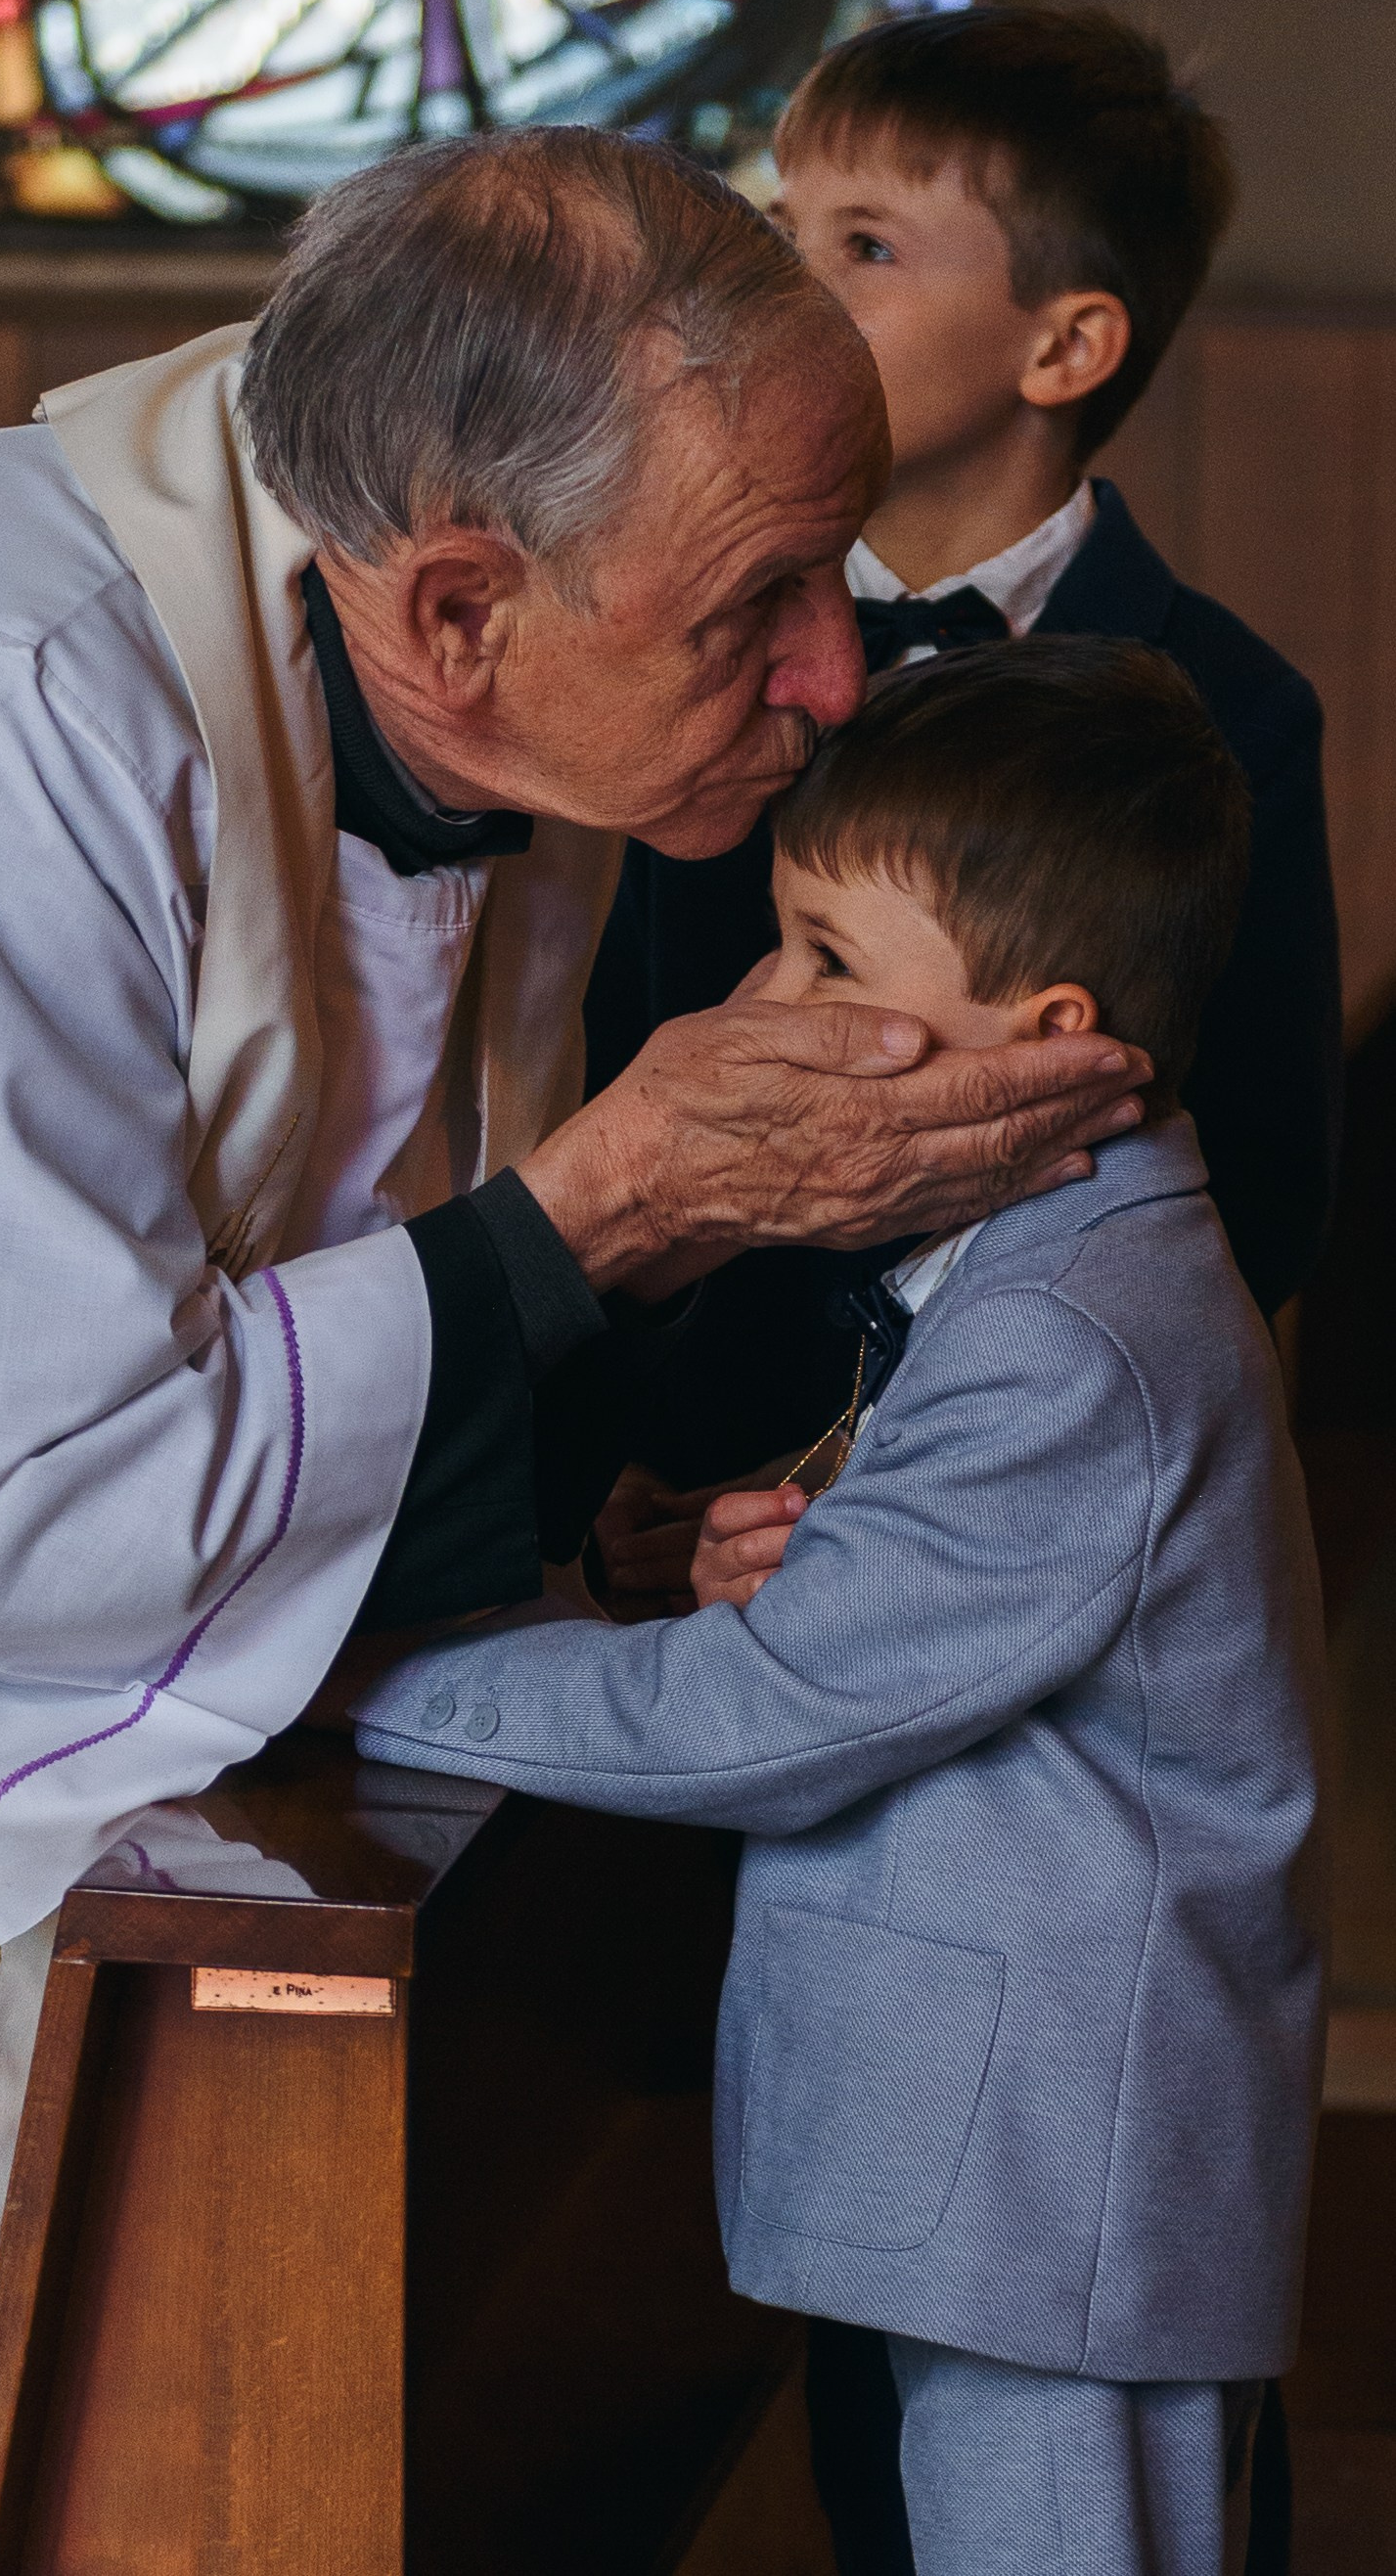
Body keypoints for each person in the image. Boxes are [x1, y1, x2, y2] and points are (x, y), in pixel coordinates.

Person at [0, 132, 1148, 2576]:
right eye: (761, 605)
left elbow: (335, 1238)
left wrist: (600, 1462)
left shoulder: (431, 661)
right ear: (461, 605)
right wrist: (612, 1205)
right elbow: (10, 1512)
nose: (835, 674)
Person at [354, 637, 1328, 2576]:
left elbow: (763, 1714)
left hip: (1051, 2191)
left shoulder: (1069, 1333)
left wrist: (367, 1672)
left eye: (824, 960)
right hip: (1011, 2180)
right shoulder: (1050, 1261)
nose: (756, 1005)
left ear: (1047, 1037)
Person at [586, 8, 1342, 1513]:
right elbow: (624, 1052)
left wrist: (911, 1469)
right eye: (777, 230)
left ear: (1064, 345)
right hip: (681, 1460)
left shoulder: (1231, 706)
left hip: (1010, 1472)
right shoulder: (695, 644)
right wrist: (636, 1442)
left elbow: (1261, 1180)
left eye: (863, 247)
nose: (775, 291)